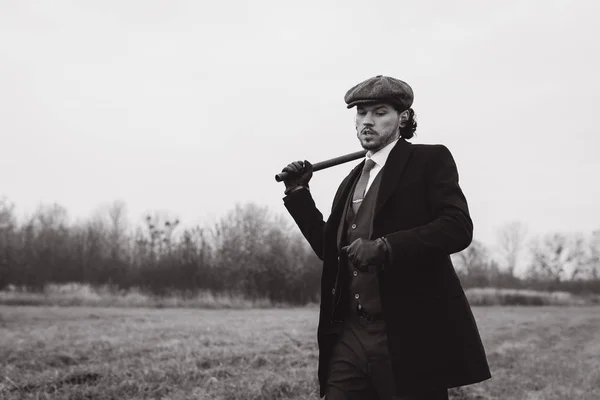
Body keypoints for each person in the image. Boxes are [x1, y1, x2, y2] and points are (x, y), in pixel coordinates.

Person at [280, 75, 491, 400]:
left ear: (403, 117)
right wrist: (297, 192)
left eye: (379, 112)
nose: (367, 121)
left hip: (409, 335)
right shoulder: (351, 181)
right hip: (349, 335)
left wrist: (386, 247)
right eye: (361, 112)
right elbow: (329, 250)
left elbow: (457, 227)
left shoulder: (429, 161)